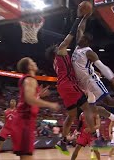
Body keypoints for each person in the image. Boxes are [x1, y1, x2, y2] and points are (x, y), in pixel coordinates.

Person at [45, 15, 100, 155]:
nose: (60, 45)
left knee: (71, 115)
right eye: (57, 46)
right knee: (87, 108)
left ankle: (62, 141)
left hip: (62, 87)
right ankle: (93, 132)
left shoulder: (54, 63)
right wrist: (78, 18)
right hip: (69, 84)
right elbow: (70, 35)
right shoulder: (61, 50)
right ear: (55, 50)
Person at [12, 57, 60, 160]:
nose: (35, 62)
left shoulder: (27, 79)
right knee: (26, 156)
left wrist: (38, 94)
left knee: (25, 156)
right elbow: (29, 99)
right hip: (24, 121)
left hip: (24, 121)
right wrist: (50, 104)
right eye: (32, 62)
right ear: (29, 66)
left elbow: (28, 99)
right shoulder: (30, 79)